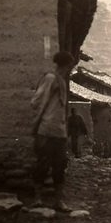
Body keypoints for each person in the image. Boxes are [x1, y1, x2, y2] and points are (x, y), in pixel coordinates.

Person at [30, 51, 76, 211]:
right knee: (42, 164)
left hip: (59, 131)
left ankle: (58, 201)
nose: (71, 68)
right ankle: (37, 199)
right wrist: (41, 120)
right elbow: (36, 101)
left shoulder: (62, 81)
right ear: (65, 65)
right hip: (46, 129)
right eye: (70, 65)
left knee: (60, 166)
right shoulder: (50, 79)